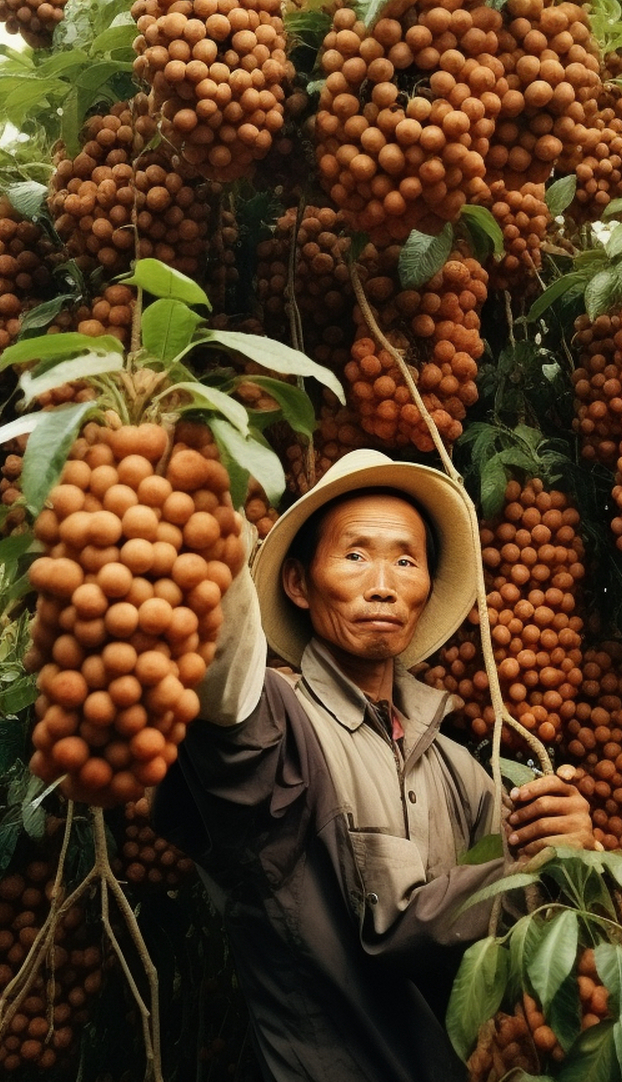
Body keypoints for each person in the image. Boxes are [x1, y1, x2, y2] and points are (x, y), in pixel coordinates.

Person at [153, 448, 596, 1082]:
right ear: (299, 584)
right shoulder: (280, 720)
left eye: (406, 561)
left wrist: (571, 853)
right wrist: (206, 523)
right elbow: (228, 696)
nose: (382, 583)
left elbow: (527, 940)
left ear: (427, 590)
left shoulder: (460, 769)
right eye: (355, 555)